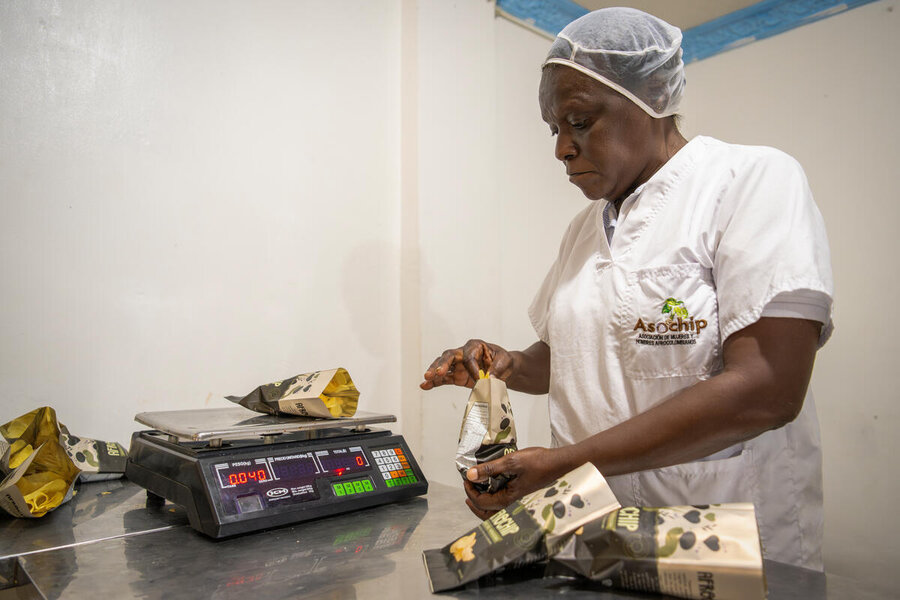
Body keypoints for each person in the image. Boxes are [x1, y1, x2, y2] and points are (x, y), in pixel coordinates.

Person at [420, 7, 833, 571]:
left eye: (580, 121)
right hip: (599, 539)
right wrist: (510, 363)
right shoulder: (582, 232)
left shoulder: (749, 182)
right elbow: (573, 358)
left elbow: (768, 387)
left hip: (724, 533)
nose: (561, 148)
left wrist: (567, 464)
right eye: (554, 129)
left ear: (652, 98)